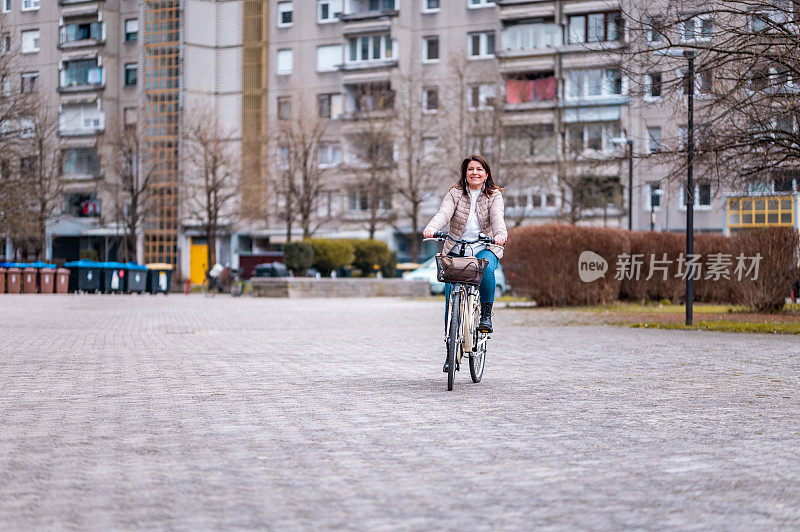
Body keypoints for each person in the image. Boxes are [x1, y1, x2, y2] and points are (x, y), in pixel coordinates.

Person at [423, 154, 507, 352]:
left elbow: (497, 218)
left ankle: (486, 314)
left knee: (486, 269)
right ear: (465, 173)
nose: (474, 173)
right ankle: (450, 346)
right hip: (457, 248)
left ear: (486, 174)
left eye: (479, 169)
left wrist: (500, 235)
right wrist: (431, 228)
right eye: (470, 169)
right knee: (450, 298)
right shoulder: (455, 193)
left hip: (485, 247)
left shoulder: (494, 195)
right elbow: (443, 214)